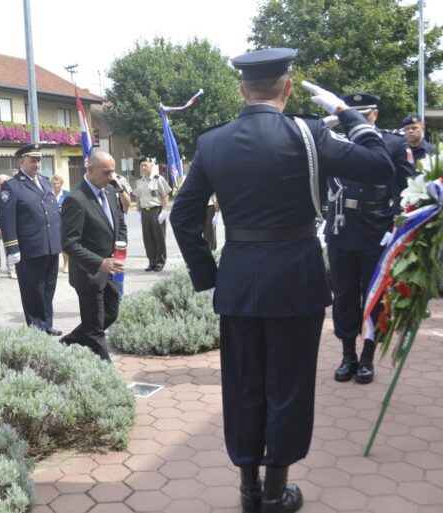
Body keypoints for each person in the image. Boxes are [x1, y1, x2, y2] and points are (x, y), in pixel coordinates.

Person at [170, 48, 394, 512]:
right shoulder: (310, 135)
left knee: (243, 384)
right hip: (296, 280)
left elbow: (183, 215)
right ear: (287, 87)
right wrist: (348, 113)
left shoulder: (213, 142)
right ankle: (276, 492)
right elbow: (380, 166)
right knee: (288, 386)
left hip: (238, 282)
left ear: (242, 90)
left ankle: (248, 489)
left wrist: (208, 274)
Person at [327, 93, 416, 385]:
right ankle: (347, 355)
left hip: (377, 229)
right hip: (341, 226)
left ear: (374, 115)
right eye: (353, 114)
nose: (358, 121)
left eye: (364, 115)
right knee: (343, 295)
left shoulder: (392, 142)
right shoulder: (336, 140)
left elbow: (409, 187)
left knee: (374, 295)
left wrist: (400, 224)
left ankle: (367, 356)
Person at [60, 151, 127, 361]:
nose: (112, 176)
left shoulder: (109, 191)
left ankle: (69, 341)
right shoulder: (76, 199)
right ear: (90, 169)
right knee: (96, 330)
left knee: (111, 314)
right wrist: (100, 263)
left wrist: (120, 249)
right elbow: (69, 243)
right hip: (89, 274)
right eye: (107, 172)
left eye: (114, 171)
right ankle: (106, 374)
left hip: (111, 270)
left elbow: (120, 223)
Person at [0, 143, 62, 336]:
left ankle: (47, 323)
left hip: (50, 246)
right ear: (21, 161)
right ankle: (36, 328)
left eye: (39, 160)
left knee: (48, 288)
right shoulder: (12, 186)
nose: (37, 164)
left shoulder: (44, 181)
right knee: (32, 289)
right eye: (33, 160)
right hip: (29, 248)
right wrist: (12, 249)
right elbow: (7, 220)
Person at [134, 157, 171, 271]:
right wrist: (138, 212)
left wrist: (164, 211)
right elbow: (138, 198)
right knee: (148, 238)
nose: (143, 168)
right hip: (145, 212)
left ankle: (160, 262)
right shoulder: (139, 181)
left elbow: (165, 195)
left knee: (158, 237)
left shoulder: (158, 179)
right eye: (142, 166)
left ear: (151, 166)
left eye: (145, 165)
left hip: (156, 211)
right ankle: (152, 261)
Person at [51, 174, 70, 273]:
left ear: (61, 184)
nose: (56, 185)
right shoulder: (48, 194)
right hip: (52, 224)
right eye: (54, 184)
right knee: (52, 245)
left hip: (64, 223)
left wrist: (64, 209)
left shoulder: (67, 194)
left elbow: (72, 207)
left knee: (64, 245)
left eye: (58, 183)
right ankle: (52, 266)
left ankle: (66, 264)